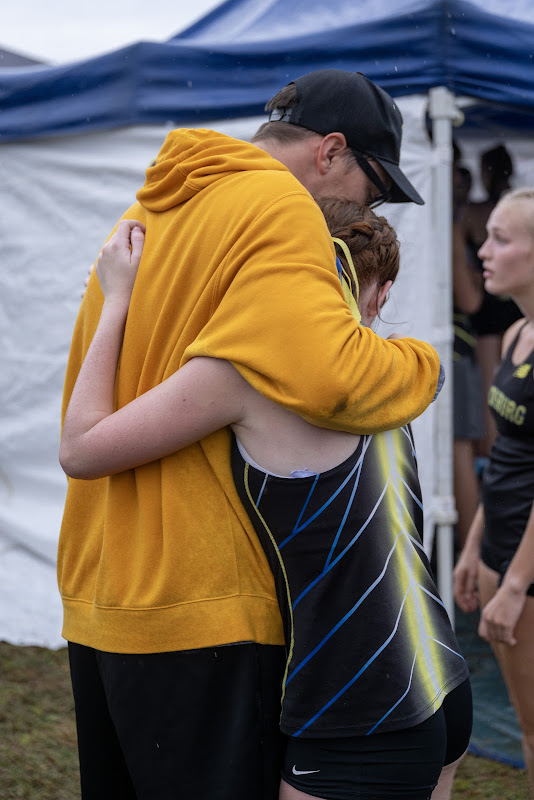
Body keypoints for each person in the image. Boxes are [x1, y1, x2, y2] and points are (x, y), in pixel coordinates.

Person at [59, 69, 442, 799]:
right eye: (375, 184)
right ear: (330, 152)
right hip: (203, 603)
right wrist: (426, 365)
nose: (367, 207)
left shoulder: (146, 212)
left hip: (101, 589)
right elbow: (332, 376)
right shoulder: (280, 206)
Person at [454, 188, 534, 796]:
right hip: (499, 553)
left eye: (502, 239)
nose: (484, 250)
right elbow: (505, 456)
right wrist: (474, 548)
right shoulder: (515, 336)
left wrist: (513, 584)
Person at [458, 144, 522, 458]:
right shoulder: (513, 207)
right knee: (512, 380)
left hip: (486, 304)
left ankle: (493, 454)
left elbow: (469, 261)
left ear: (486, 172)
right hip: (511, 302)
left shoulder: (475, 211)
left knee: (491, 382)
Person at [451, 159, 484, 548]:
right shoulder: (451, 228)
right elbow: (472, 300)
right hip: (457, 349)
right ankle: (469, 555)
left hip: (459, 347)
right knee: (463, 452)